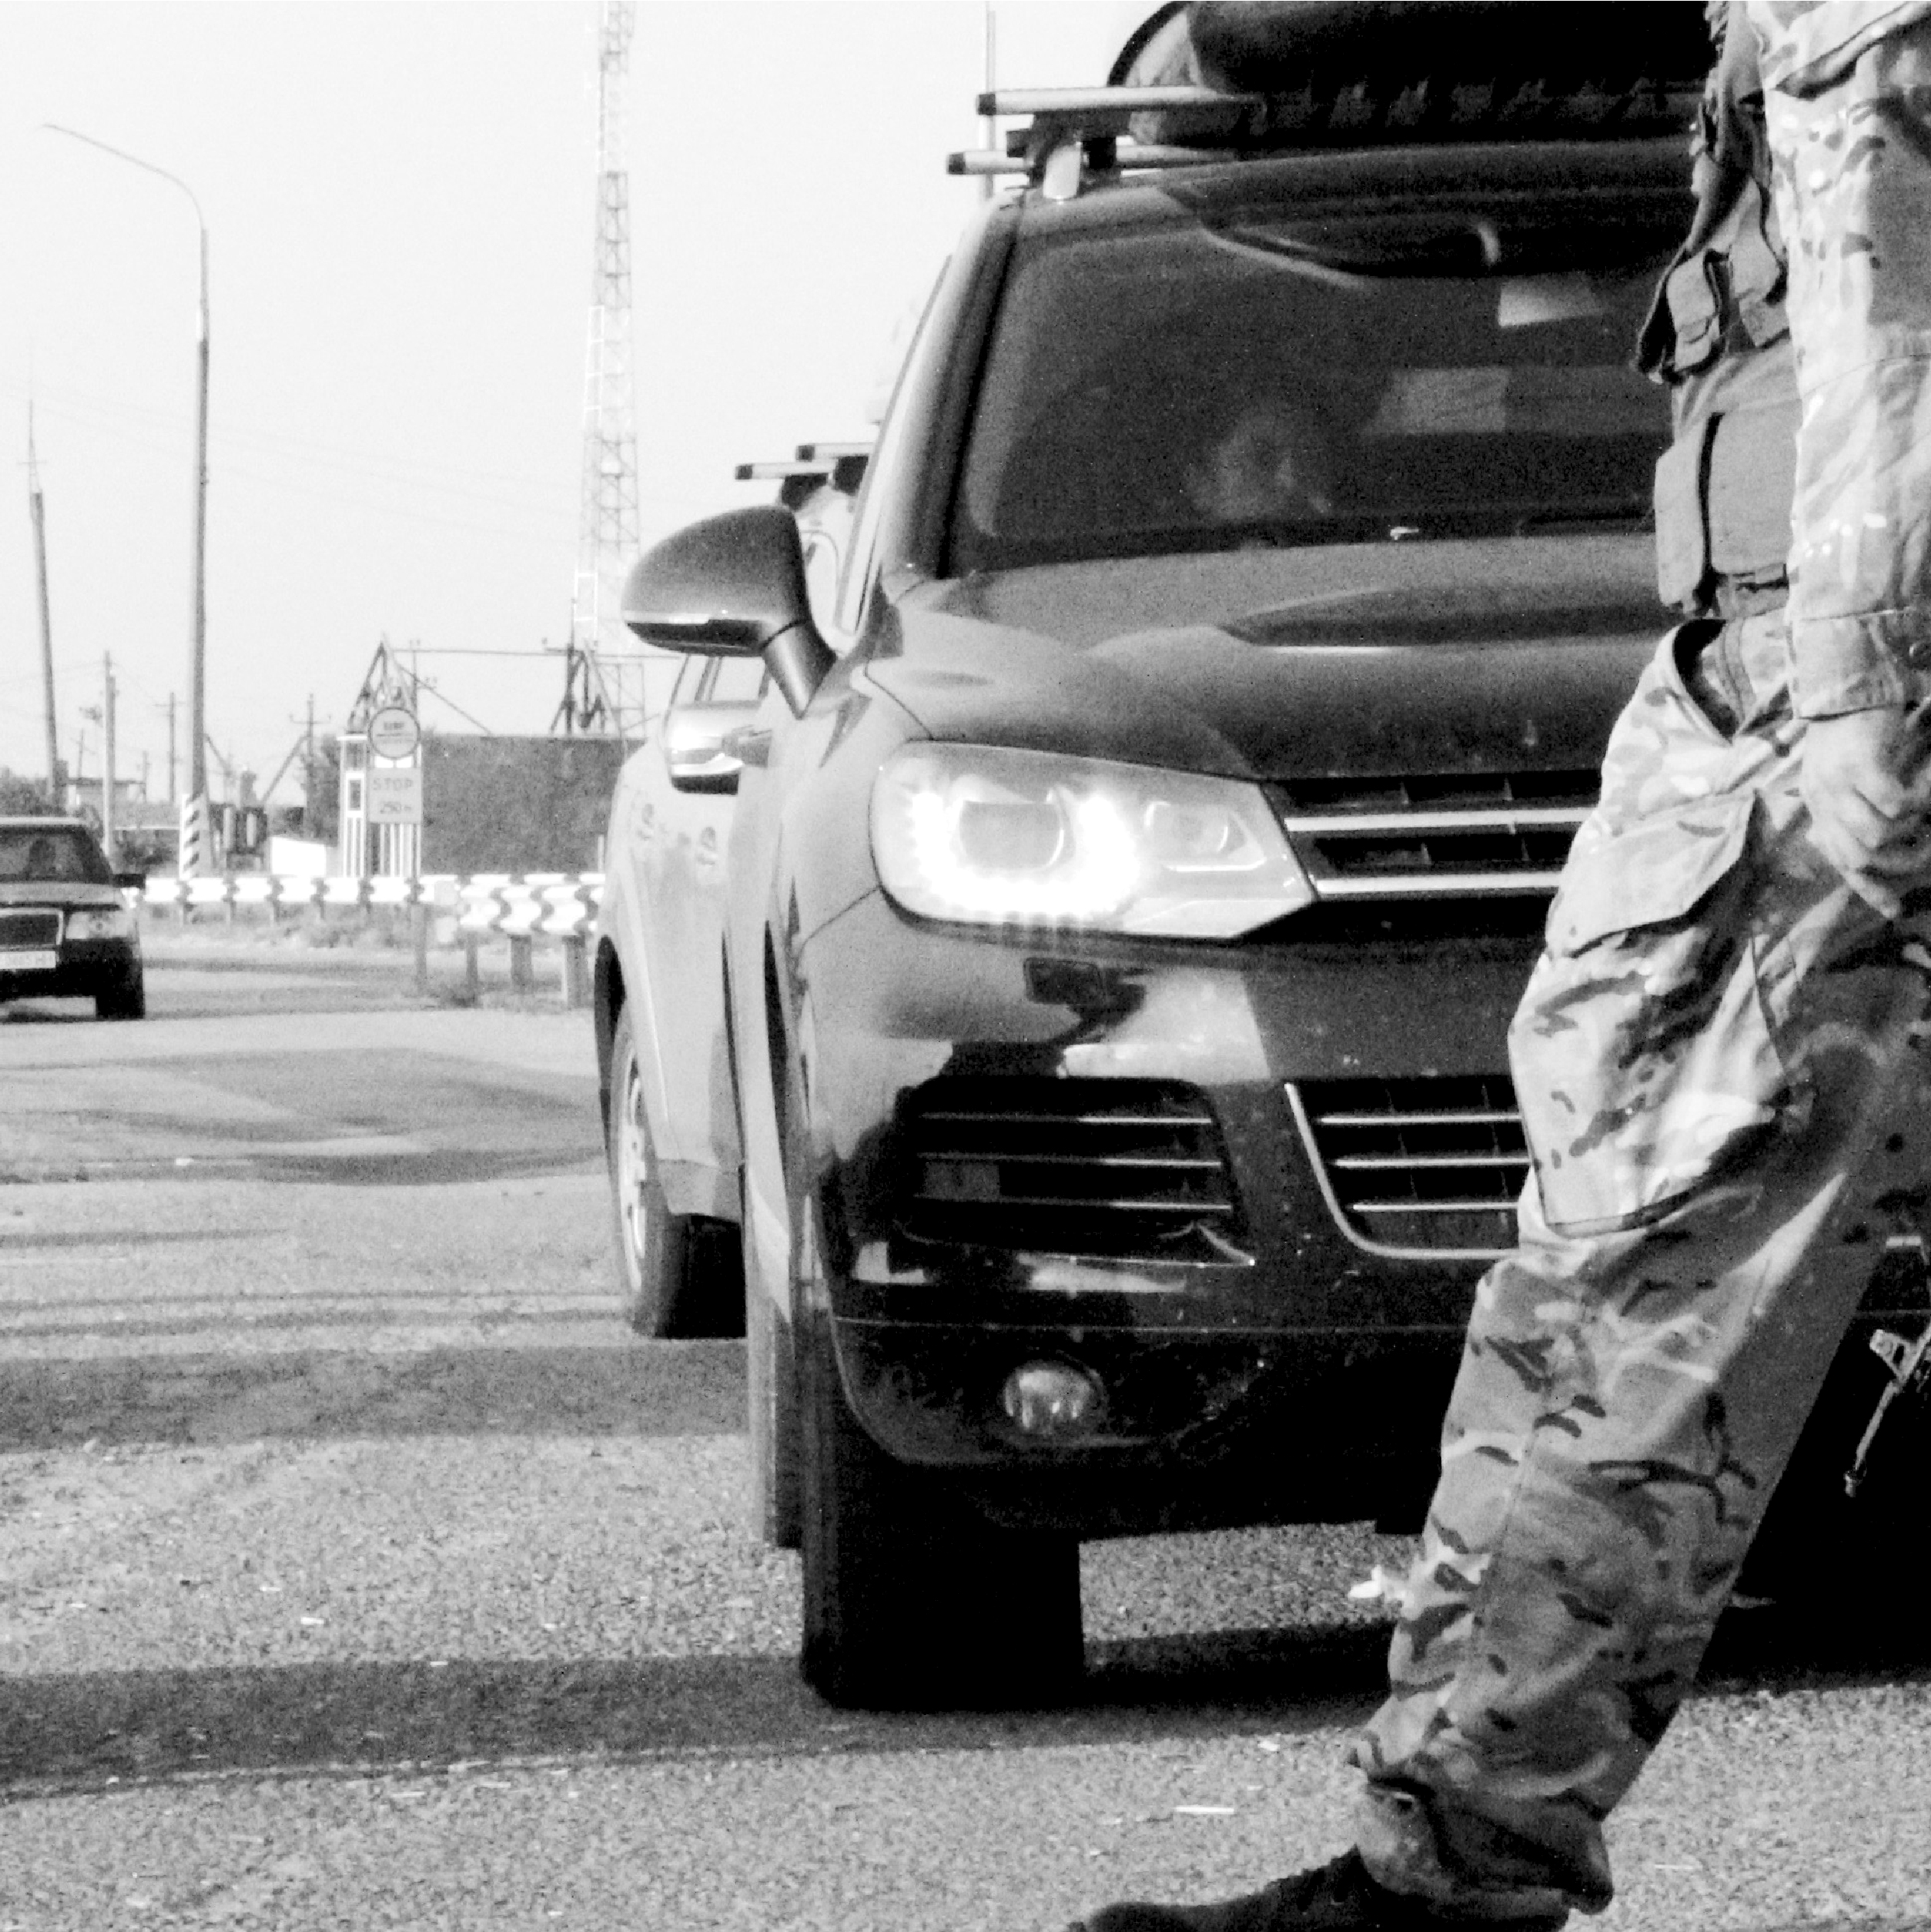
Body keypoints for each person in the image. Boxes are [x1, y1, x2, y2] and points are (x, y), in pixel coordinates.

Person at [1071, 5, 1931, 1927]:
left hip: (1837, 682)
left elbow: (1897, 302)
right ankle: (1448, 1848)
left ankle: (1448, 1872)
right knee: (1596, 1281)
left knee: (1641, 1288)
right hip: (1773, 661)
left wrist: (1874, 713)